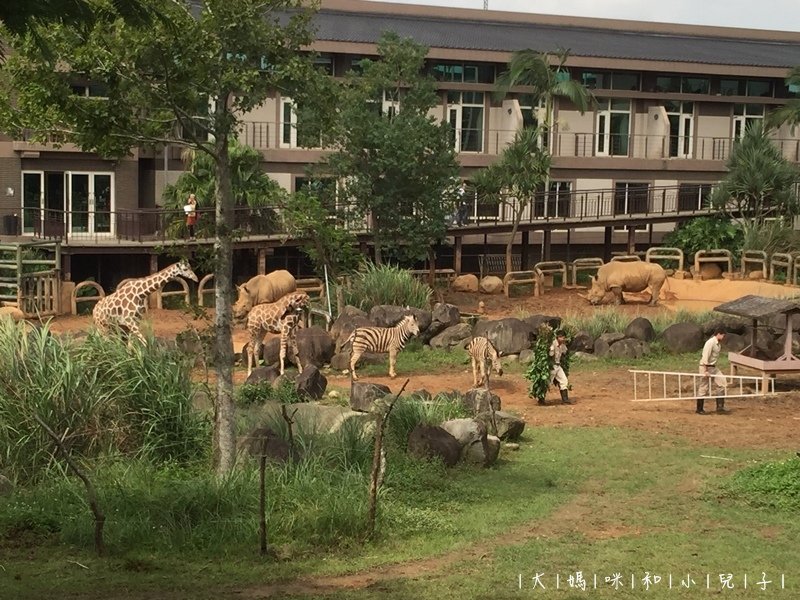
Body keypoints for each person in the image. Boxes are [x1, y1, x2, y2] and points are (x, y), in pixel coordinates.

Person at [697, 327, 729, 414]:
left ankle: (720, 406)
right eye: (723, 335)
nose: (723, 337)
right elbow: (705, 357)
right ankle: (699, 409)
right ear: (718, 334)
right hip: (705, 367)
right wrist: (706, 370)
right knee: (704, 387)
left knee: (722, 382)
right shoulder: (710, 343)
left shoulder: (718, 344)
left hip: (713, 367)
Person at [547, 330, 573, 405]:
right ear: (558, 337)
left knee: (564, 380)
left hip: (558, 366)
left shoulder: (562, 345)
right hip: (552, 366)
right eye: (561, 337)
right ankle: (541, 399)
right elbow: (550, 355)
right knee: (548, 383)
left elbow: (565, 352)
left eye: (564, 338)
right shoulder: (553, 344)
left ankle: (565, 400)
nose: (563, 339)